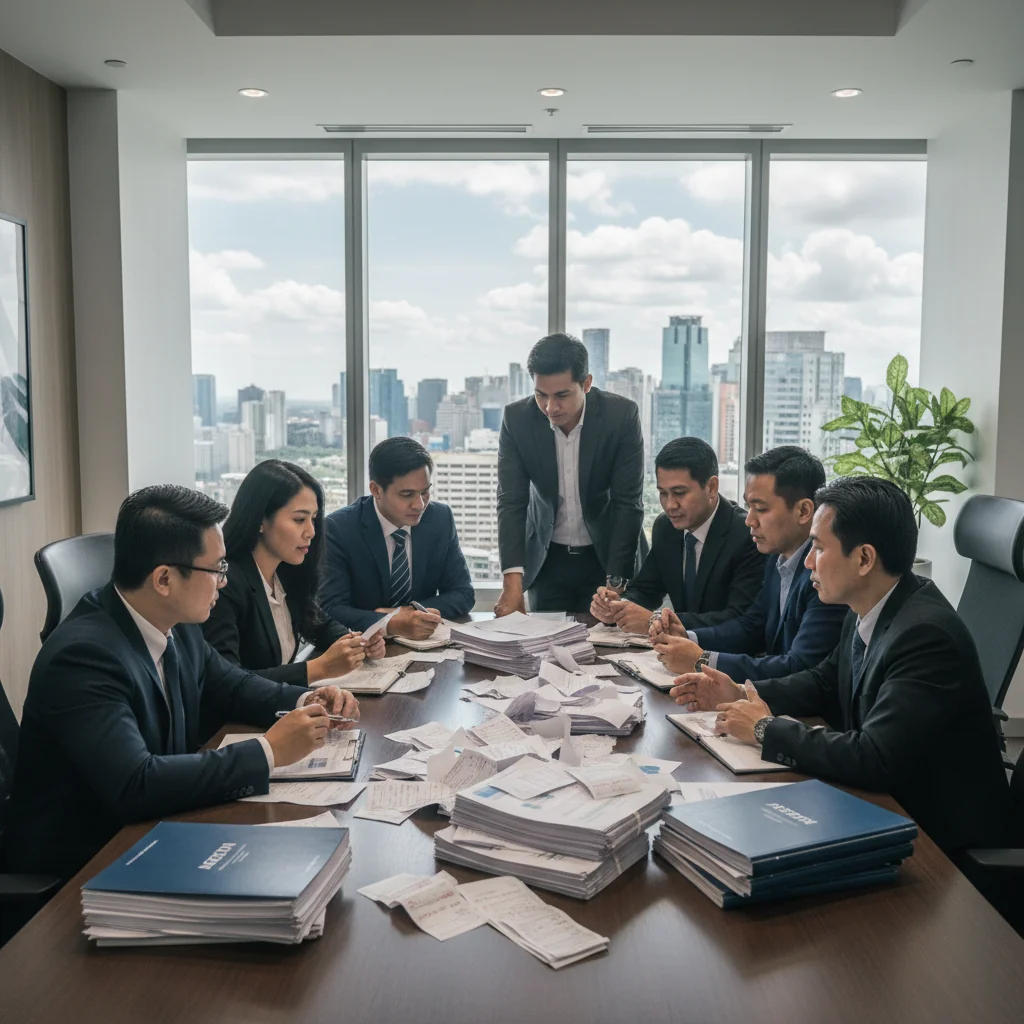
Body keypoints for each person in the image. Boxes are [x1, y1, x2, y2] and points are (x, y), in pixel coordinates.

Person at [1, 485, 359, 884]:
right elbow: (136, 783)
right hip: (85, 866)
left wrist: (308, 699)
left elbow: (235, 687)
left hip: (157, 829)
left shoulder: (178, 626)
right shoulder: (84, 658)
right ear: (165, 579)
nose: (224, 583)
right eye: (217, 569)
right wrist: (269, 751)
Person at [670, 476, 1011, 855]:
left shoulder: (925, 636)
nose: (809, 562)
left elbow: (875, 756)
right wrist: (740, 693)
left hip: (941, 845)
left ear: (864, 559)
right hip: (888, 806)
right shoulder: (871, 604)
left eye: (818, 546)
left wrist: (766, 729)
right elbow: (823, 681)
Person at [652, 446, 847, 681]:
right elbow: (752, 625)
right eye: (749, 507)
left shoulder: (827, 574)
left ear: (804, 510)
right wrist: (689, 637)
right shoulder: (777, 555)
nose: (750, 521)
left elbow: (800, 666)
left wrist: (701, 660)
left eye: (761, 509)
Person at [496, 333, 644, 615]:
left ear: (586, 383)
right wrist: (512, 581)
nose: (550, 407)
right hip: (547, 560)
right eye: (541, 395)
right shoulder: (517, 419)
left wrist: (616, 580)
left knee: (608, 648)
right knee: (541, 650)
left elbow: (629, 503)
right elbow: (511, 502)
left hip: (606, 558)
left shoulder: (620, 416)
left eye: (562, 395)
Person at [203, 460, 385, 685]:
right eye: (299, 519)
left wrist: (356, 644)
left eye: (314, 519)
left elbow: (318, 623)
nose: (311, 531)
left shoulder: (286, 571)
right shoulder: (225, 584)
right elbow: (228, 681)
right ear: (260, 520)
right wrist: (320, 668)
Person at [590, 437, 764, 633]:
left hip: (725, 654)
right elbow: (646, 590)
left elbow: (739, 617)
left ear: (711, 487)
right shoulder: (666, 527)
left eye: (680, 493)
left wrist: (656, 620)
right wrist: (618, 607)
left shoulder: (746, 534)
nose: (670, 505)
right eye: (663, 494)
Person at [321, 437, 474, 640]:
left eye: (425, 492)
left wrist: (409, 615)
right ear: (376, 490)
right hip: (364, 648)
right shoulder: (338, 529)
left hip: (426, 645)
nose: (419, 505)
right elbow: (330, 609)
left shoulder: (440, 518)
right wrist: (391, 623)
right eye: (407, 494)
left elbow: (463, 593)